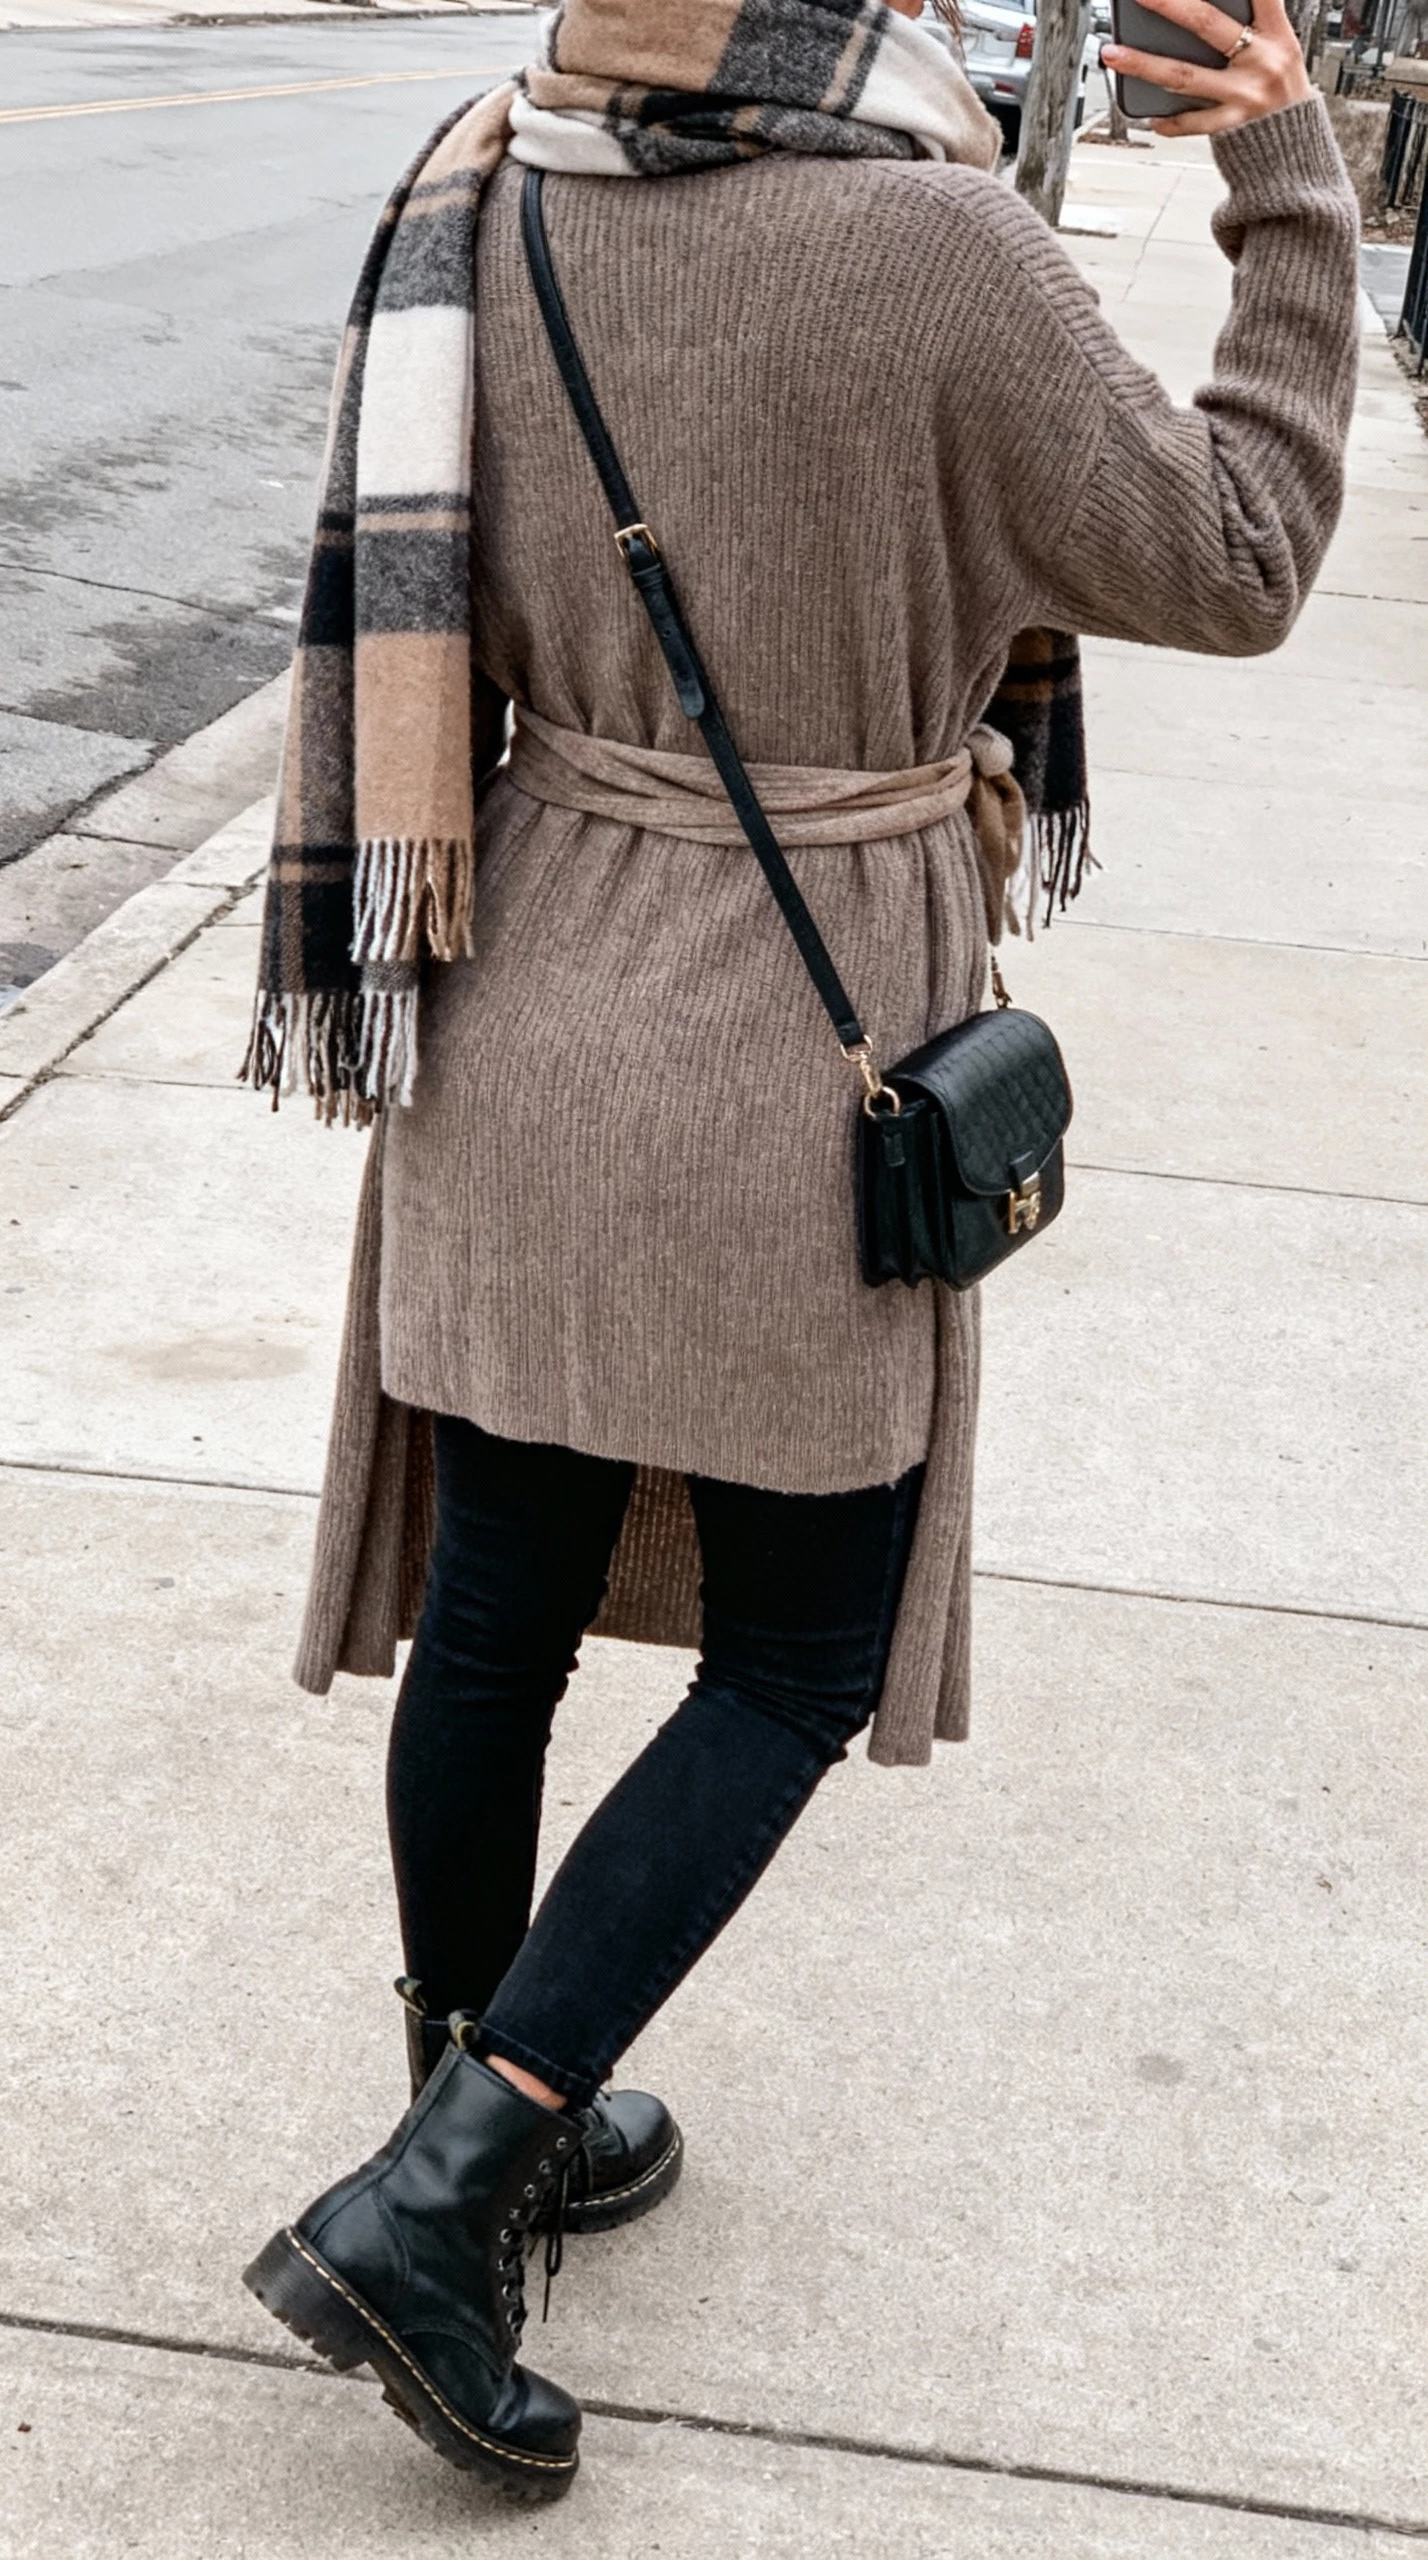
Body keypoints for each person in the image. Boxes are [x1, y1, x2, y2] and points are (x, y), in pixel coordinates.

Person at [240, 0, 1358, 2504]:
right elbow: (1241, 552)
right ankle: (454, 2176)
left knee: (506, 1596)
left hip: (517, 996)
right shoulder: (944, 247)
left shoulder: (482, 192)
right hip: (804, 1024)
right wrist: (1290, 185)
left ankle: (470, 2095)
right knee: (800, 1644)